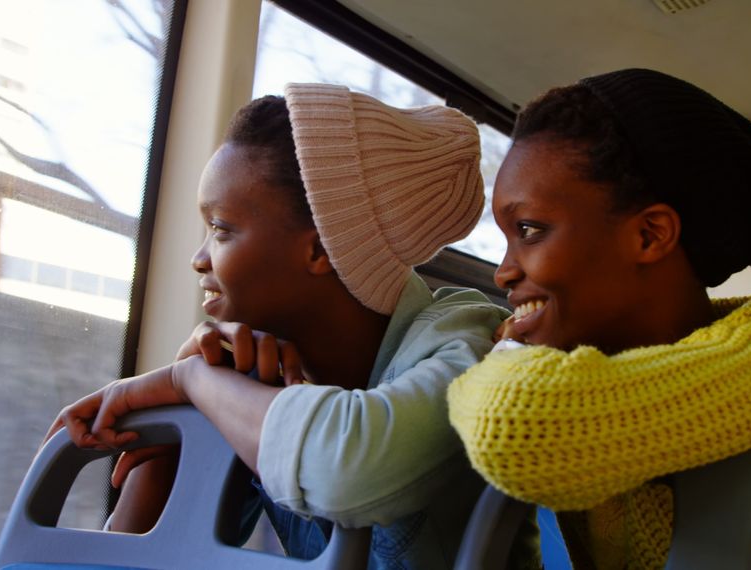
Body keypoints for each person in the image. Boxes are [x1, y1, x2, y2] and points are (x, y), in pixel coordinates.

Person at [447, 68, 751, 569]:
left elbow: (512, 429)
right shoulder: (597, 369)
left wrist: (497, 354)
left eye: (530, 229)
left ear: (650, 235)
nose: (502, 272)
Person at [47, 83, 517, 569]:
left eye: (222, 229)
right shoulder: (252, 375)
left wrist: (186, 379)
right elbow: (132, 561)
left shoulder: (469, 337)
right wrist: (177, 432)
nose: (199, 258)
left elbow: (344, 470)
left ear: (318, 250)